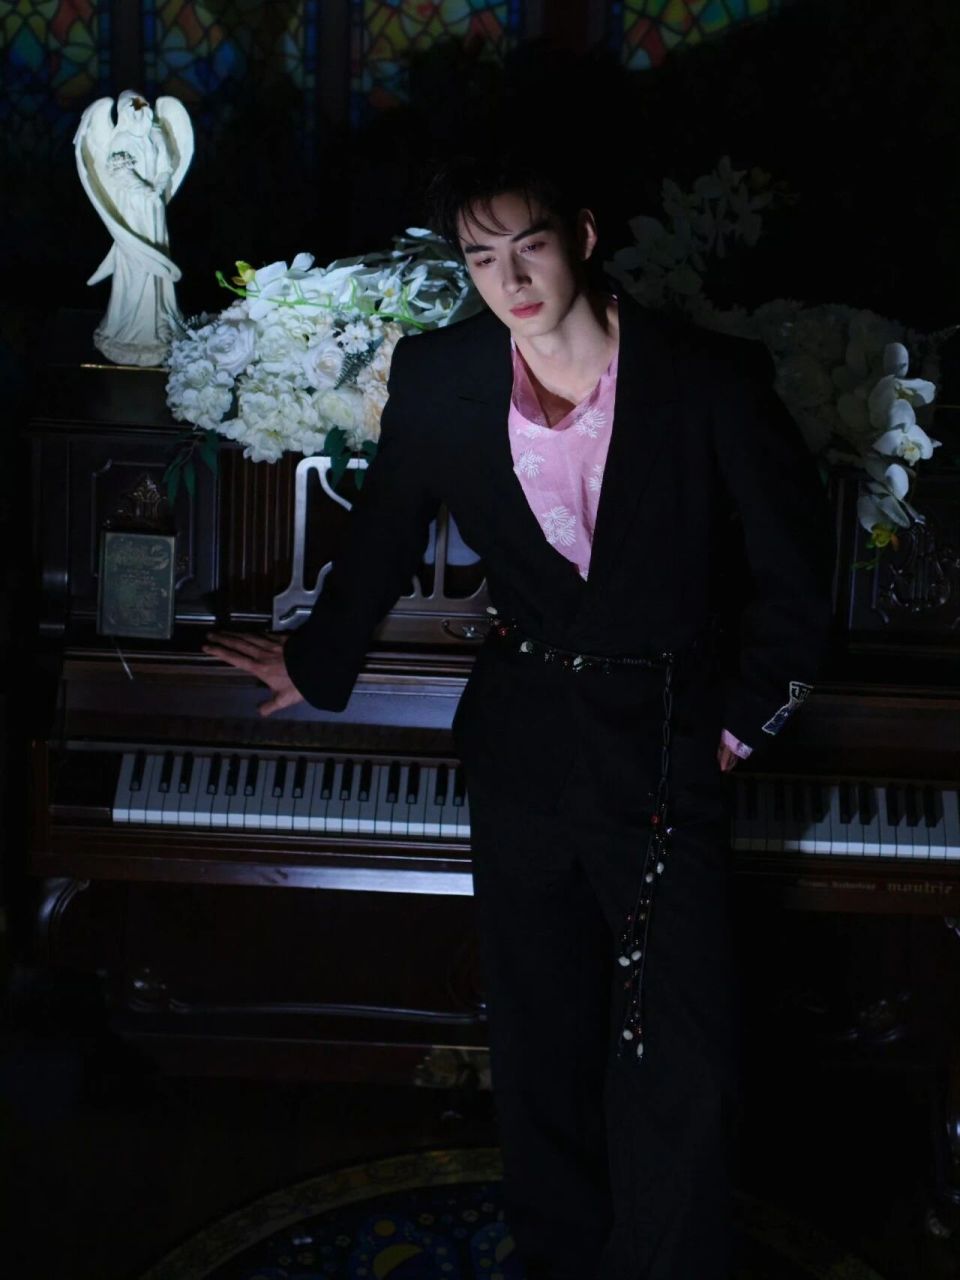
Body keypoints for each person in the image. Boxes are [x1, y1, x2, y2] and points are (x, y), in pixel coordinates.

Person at [204, 156, 834, 1279]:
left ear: (582, 235)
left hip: (667, 734)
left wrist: (741, 726)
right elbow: (386, 531)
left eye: (529, 246)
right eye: (481, 258)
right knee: (541, 1042)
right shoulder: (444, 376)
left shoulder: (708, 377)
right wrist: (316, 660)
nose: (511, 280)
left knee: (684, 1058)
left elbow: (797, 579)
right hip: (524, 737)